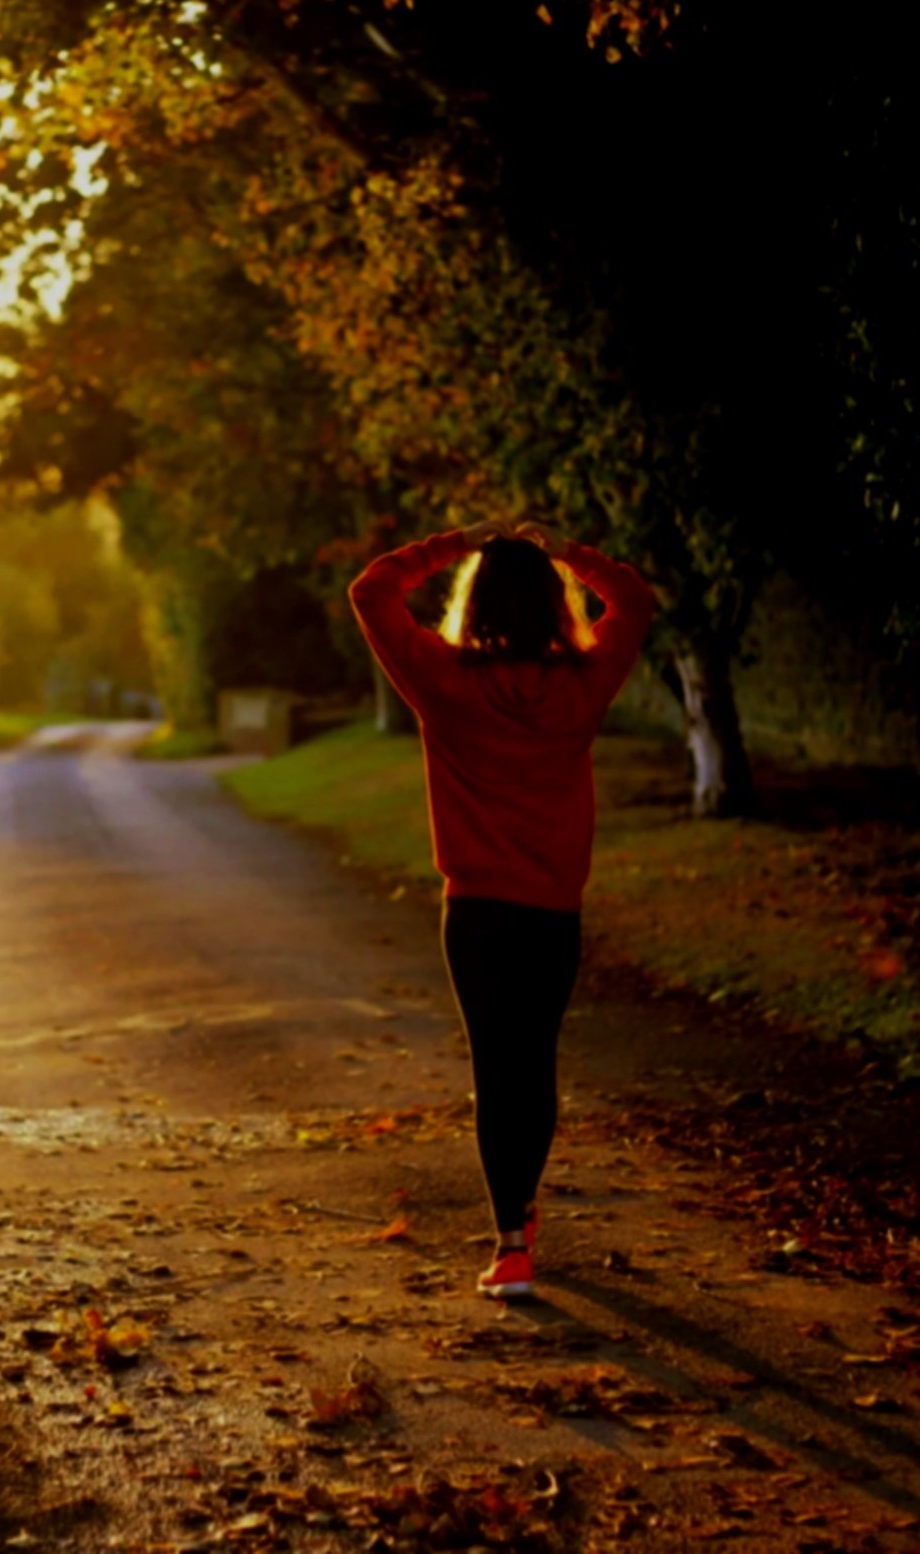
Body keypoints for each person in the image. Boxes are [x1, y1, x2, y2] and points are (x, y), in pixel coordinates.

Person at [348, 517, 659, 1298]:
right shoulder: (584, 685)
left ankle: (512, 1241)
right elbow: (635, 597)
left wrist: (456, 541)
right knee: (536, 1062)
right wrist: (567, 550)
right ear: (554, 604)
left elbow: (371, 589)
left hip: (478, 912)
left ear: (475, 603)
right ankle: (522, 1204)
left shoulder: (443, 682)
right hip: (553, 909)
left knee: (497, 1068)